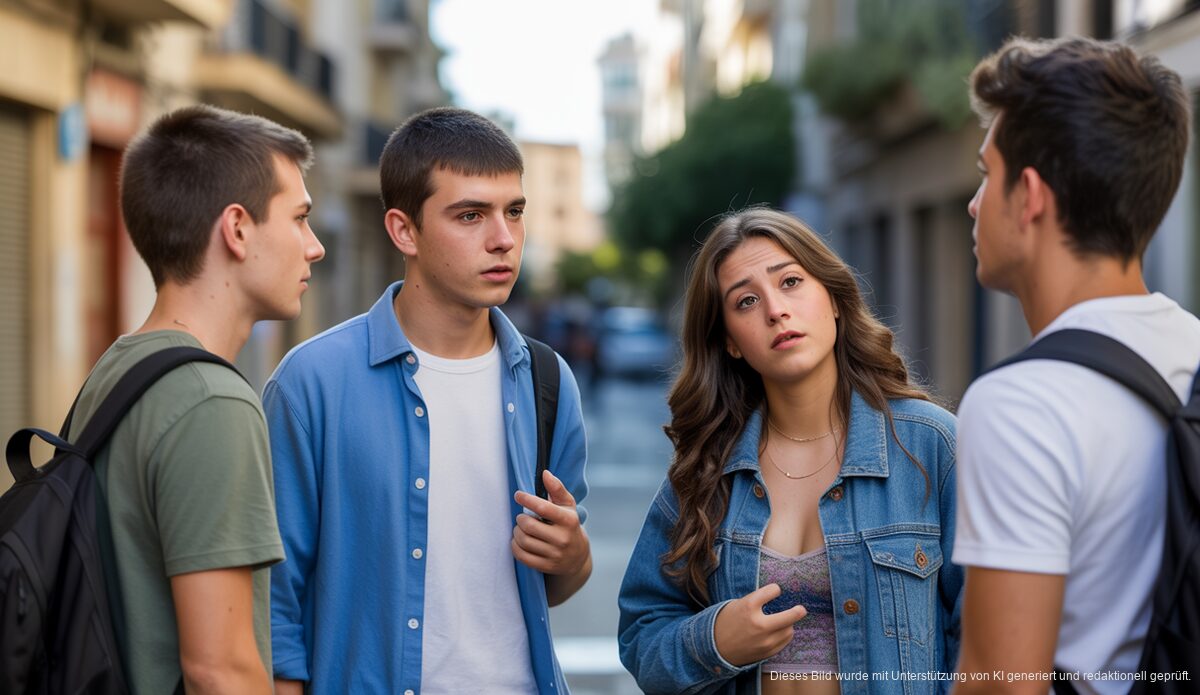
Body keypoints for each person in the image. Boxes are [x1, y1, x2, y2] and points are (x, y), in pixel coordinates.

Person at [266, 107, 591, 694]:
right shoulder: (311, 383)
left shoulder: (545, 378)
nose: (503, 239)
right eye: (471, 215)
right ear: (404, 231)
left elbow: (555, 581)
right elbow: (273, 603)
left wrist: (573, 556)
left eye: (514, 212)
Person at [618, 207, 962, 694]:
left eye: (792, 282)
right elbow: (641, 635)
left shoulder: (930, 446)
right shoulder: (707, 469)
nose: (775, 310)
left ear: (835, 300)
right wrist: (714, 641)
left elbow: (984, 637)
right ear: (731, 343)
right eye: (746, 301)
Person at [952, 37, 1199, 695]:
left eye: (986, 173)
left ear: (1029, 195)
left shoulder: (1020, 405)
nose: (974, 204)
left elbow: (1001, 685)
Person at [67, 104, 325, 693]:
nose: (314, 247)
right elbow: (220, 670)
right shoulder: (212, 402)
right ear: (237, 229)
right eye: (299, 218)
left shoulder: (120, 365)